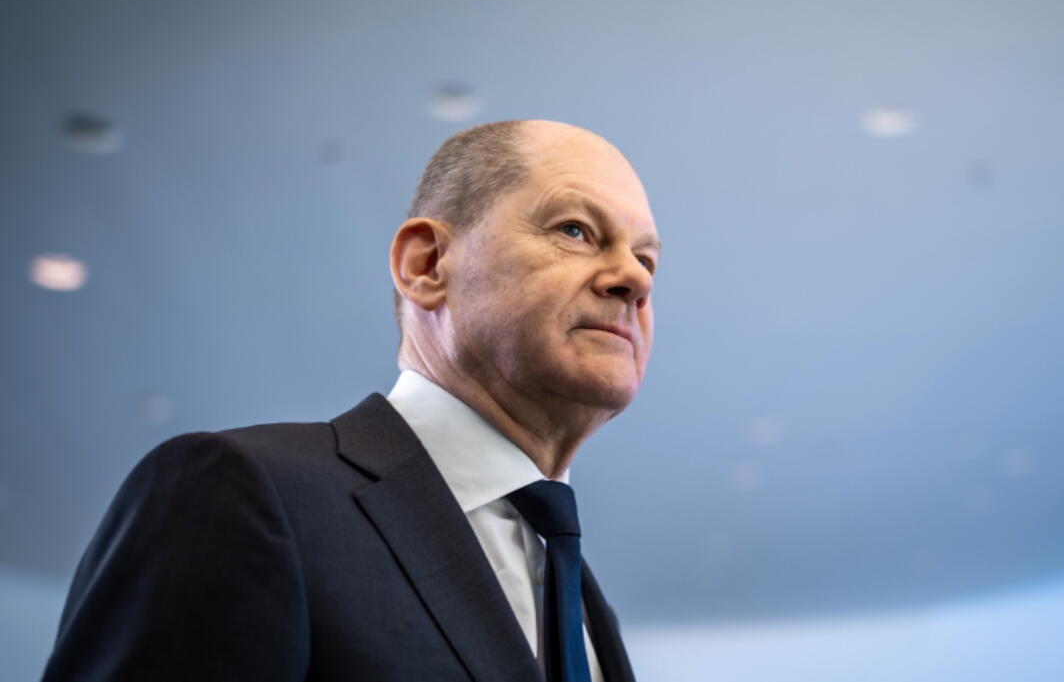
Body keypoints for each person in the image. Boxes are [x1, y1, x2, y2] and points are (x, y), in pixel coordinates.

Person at [41, 119, 660, 682]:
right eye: (575, 230)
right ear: (427, 264)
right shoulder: (244, 492)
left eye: (646, 258)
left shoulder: (578, 597)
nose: (633, 278)